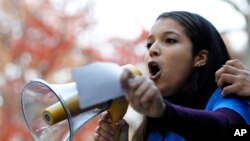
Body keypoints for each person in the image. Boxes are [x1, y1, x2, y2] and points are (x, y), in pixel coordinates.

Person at [93, 11, 250, 141]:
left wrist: (163, 112)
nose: (152, 49)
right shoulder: (151, 129)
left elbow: (226, 130)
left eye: (170, 40)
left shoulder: (227, 96)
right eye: (149, 44)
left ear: (200, 58)